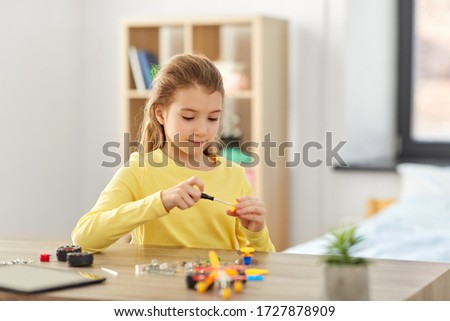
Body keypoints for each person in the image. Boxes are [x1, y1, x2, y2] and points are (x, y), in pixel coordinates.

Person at [72, 53, 275, 253]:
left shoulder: (235, 176)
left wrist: (256, 232)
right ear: (160, 113)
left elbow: (264, 262)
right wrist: (159, 202)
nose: (202, 130)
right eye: (188, 117)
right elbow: (84, 237)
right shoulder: (140, 169)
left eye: (213, 118)